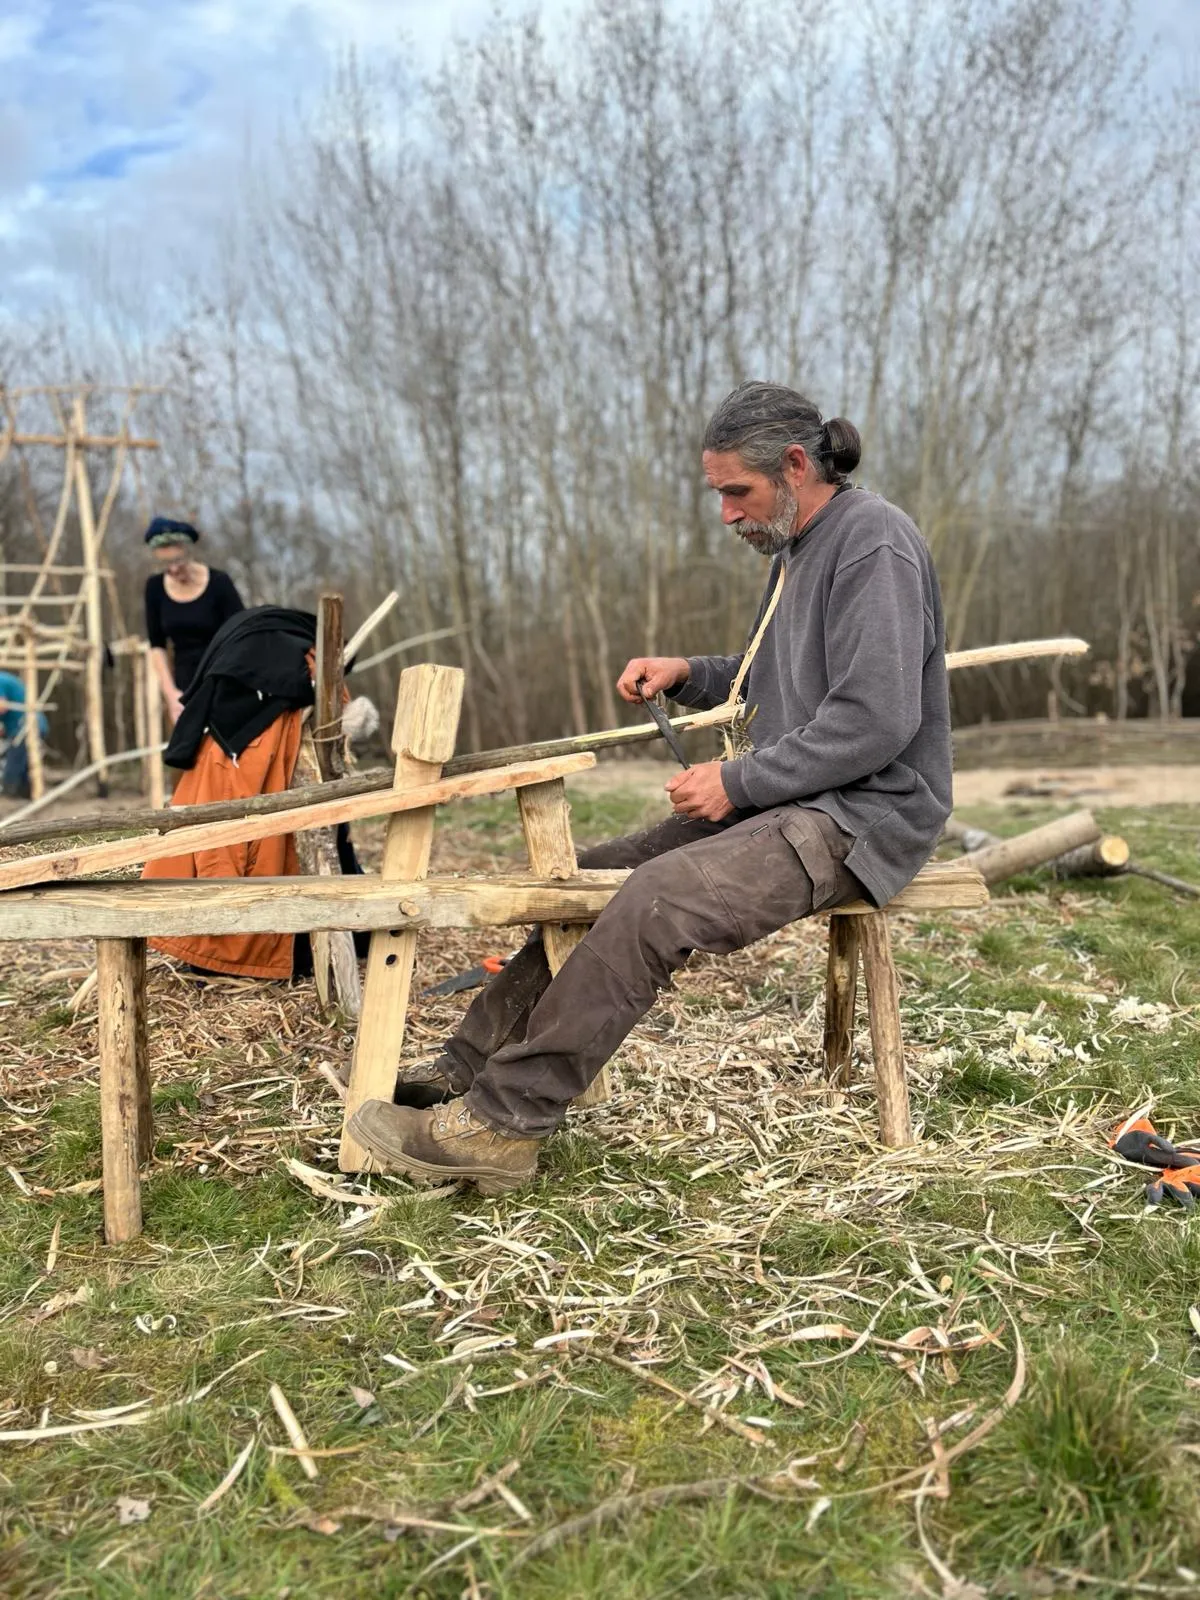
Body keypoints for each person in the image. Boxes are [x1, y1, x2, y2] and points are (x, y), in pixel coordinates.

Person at [348, 381, 954, 1196]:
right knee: (592, 875)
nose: (727, 513)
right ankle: (466, 1070)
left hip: (864, 817)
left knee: (657, 898)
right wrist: (689, 674)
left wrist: (739, 780)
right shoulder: (797, 553)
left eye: (737, 491)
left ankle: (500, 1127)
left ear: (798, 466)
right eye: (719, 494)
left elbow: (876, 720)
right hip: (801, 801)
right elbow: (764, 684)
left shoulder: (871, 542)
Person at [143, 516, 244, 726]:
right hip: (185, 687)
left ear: (189, 552)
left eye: (177, 560)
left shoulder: (219, 583)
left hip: (225, 679)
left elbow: (242, 634)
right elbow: (157, 646)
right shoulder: (154, 588)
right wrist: (170, 694)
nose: (173, 569)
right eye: (165, 563)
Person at [0, 670, 48, 799]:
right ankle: (26, 794)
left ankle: (8, 795)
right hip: (32, 725)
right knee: (26, 764)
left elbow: (1, 707)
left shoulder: (0, 680)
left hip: (27, 727)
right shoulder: (6, 679)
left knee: (14, 761)